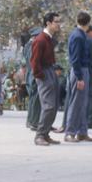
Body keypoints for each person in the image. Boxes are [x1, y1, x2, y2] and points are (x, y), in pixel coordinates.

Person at [30, 12, 62, 146]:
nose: (58, 24)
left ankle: (46, 133)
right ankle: (40, 135)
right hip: (44, 73)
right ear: (48, 23)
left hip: (50, 71)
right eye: (56, 22)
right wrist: (41, 76)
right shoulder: (40, 39)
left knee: (53, 106)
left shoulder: (48, 38)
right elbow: (34, 62)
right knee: (48, 106)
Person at [64, 11, 92, 143]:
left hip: (81, 70)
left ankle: (82, 132)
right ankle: (70, 132)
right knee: (77, 102)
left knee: (83, 103)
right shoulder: (78, 36)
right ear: (88, 23)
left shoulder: (78, 34)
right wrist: (80, 77)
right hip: (80, 71)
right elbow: (76, 59)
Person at [23, 27, 42, 130]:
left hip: (31, 74)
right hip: (33, 74)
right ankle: (33, 122)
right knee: (35, 99)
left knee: (33, 99)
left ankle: (31, 121)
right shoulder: (32, 46)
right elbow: (33, 62)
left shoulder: (28, 45)